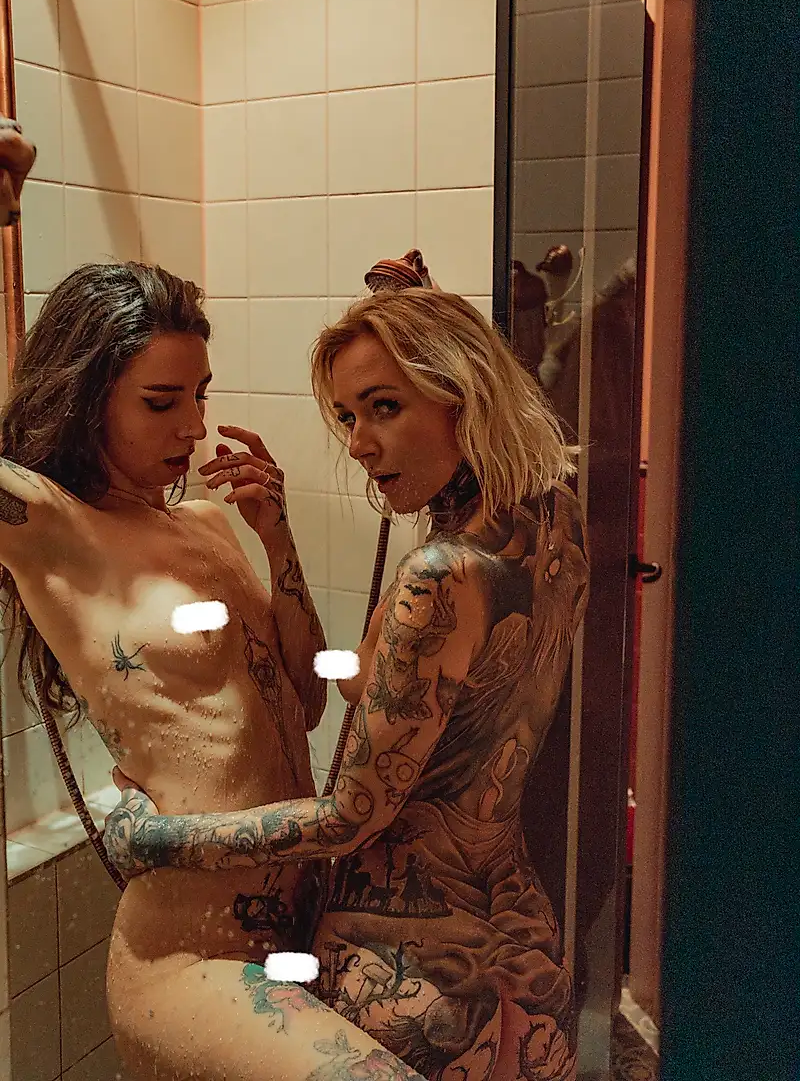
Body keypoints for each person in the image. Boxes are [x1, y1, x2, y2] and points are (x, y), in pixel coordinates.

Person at [105, 257, 591, 1081]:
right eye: (347, 416)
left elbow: (349, 818)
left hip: (407, 979)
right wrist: (278, 538)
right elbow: (367, 678)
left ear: (462, 393)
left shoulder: (438, 576)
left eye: (384, 408)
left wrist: (153, 839)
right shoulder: (555, 519)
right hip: (527, 960)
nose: (360, 445)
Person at [0, 213, 430, 1075]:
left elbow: (306, 701)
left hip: (297, 936)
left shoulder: (207, 523)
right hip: (191, 956)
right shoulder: (57, 529)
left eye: (200, 395)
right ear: (86, 398)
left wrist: (277, 537)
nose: (194, 428)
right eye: (161, 402)